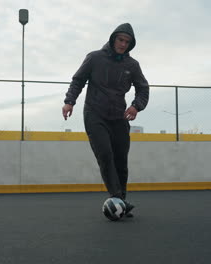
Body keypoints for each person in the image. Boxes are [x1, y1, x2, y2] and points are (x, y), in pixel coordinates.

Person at [62, 23, 149, 218]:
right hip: (95, 114)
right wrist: (69, 102)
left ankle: (122, 201)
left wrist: (136, 106)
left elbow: (143, 88)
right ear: (113, 39)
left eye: (127, 42)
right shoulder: (94, 58)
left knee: (121, 161)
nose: (123, 44)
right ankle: (117, 197)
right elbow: (78, 80)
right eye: (120, 40)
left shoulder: (132, 65)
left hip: (119, 117)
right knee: (105, 154)